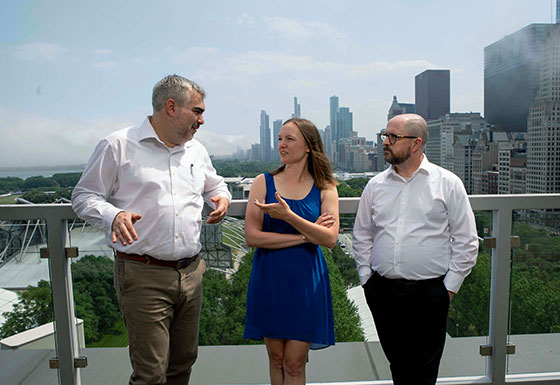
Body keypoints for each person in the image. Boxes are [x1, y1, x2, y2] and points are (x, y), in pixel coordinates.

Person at [71, 75, 231, 385]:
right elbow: (83, 196)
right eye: (197, 111)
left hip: (192, 272)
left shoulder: (196, 151)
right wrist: (112, 215)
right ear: (171, 107)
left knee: (183, 364)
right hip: (143, 274)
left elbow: (216, 183)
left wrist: (223, 198)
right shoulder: (117, 145)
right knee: (151, 374)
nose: (202, 120)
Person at [352, 113, 478, 385]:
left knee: (423, 374)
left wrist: (448, 290)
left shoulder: (448, 183)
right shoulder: (375, 186)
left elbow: (467, 240)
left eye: (393, 137)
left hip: (430, 294)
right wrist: (366, 279)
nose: (385, 142)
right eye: (384, 135)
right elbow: (362, 234)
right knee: (398, 368)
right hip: (383, 292)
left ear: (416, 143)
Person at [243, 118, 339, 385]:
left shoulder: (325, 186)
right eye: (279, 139)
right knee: (276, 359)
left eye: (289, 139)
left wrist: (288, 216)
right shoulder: (263, 183)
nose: (282, 145)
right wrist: (306, 235)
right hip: (269, 278)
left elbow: (329, 238)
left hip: (307, 282)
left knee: (294, 363)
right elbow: (252, 236)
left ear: (308, 146)